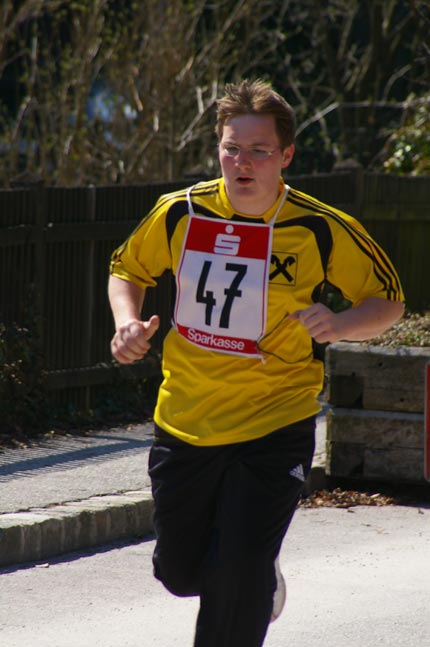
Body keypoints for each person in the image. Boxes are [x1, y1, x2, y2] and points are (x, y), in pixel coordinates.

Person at [108, 79, 404, 647]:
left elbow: (388, 300)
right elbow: (128, 269)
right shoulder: (180, 213)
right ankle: (256, 580)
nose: (242, 162)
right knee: (180, 573)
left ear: (286, 155)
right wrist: (127, 322)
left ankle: (249, 581)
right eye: (232, 148)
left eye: (259, 150)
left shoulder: (319, 227)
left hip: (276, 421)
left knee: (237, 573)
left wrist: (341, 324)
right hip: (186, 420)